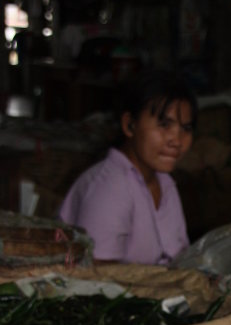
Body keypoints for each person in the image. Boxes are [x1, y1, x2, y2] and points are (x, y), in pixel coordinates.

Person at [57, 69, 197, 264]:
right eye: (165, 125)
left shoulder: (165, 184)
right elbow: (99, 280)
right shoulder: (109, 188)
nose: (177, 140)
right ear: (129, 125)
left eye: (186, 128)